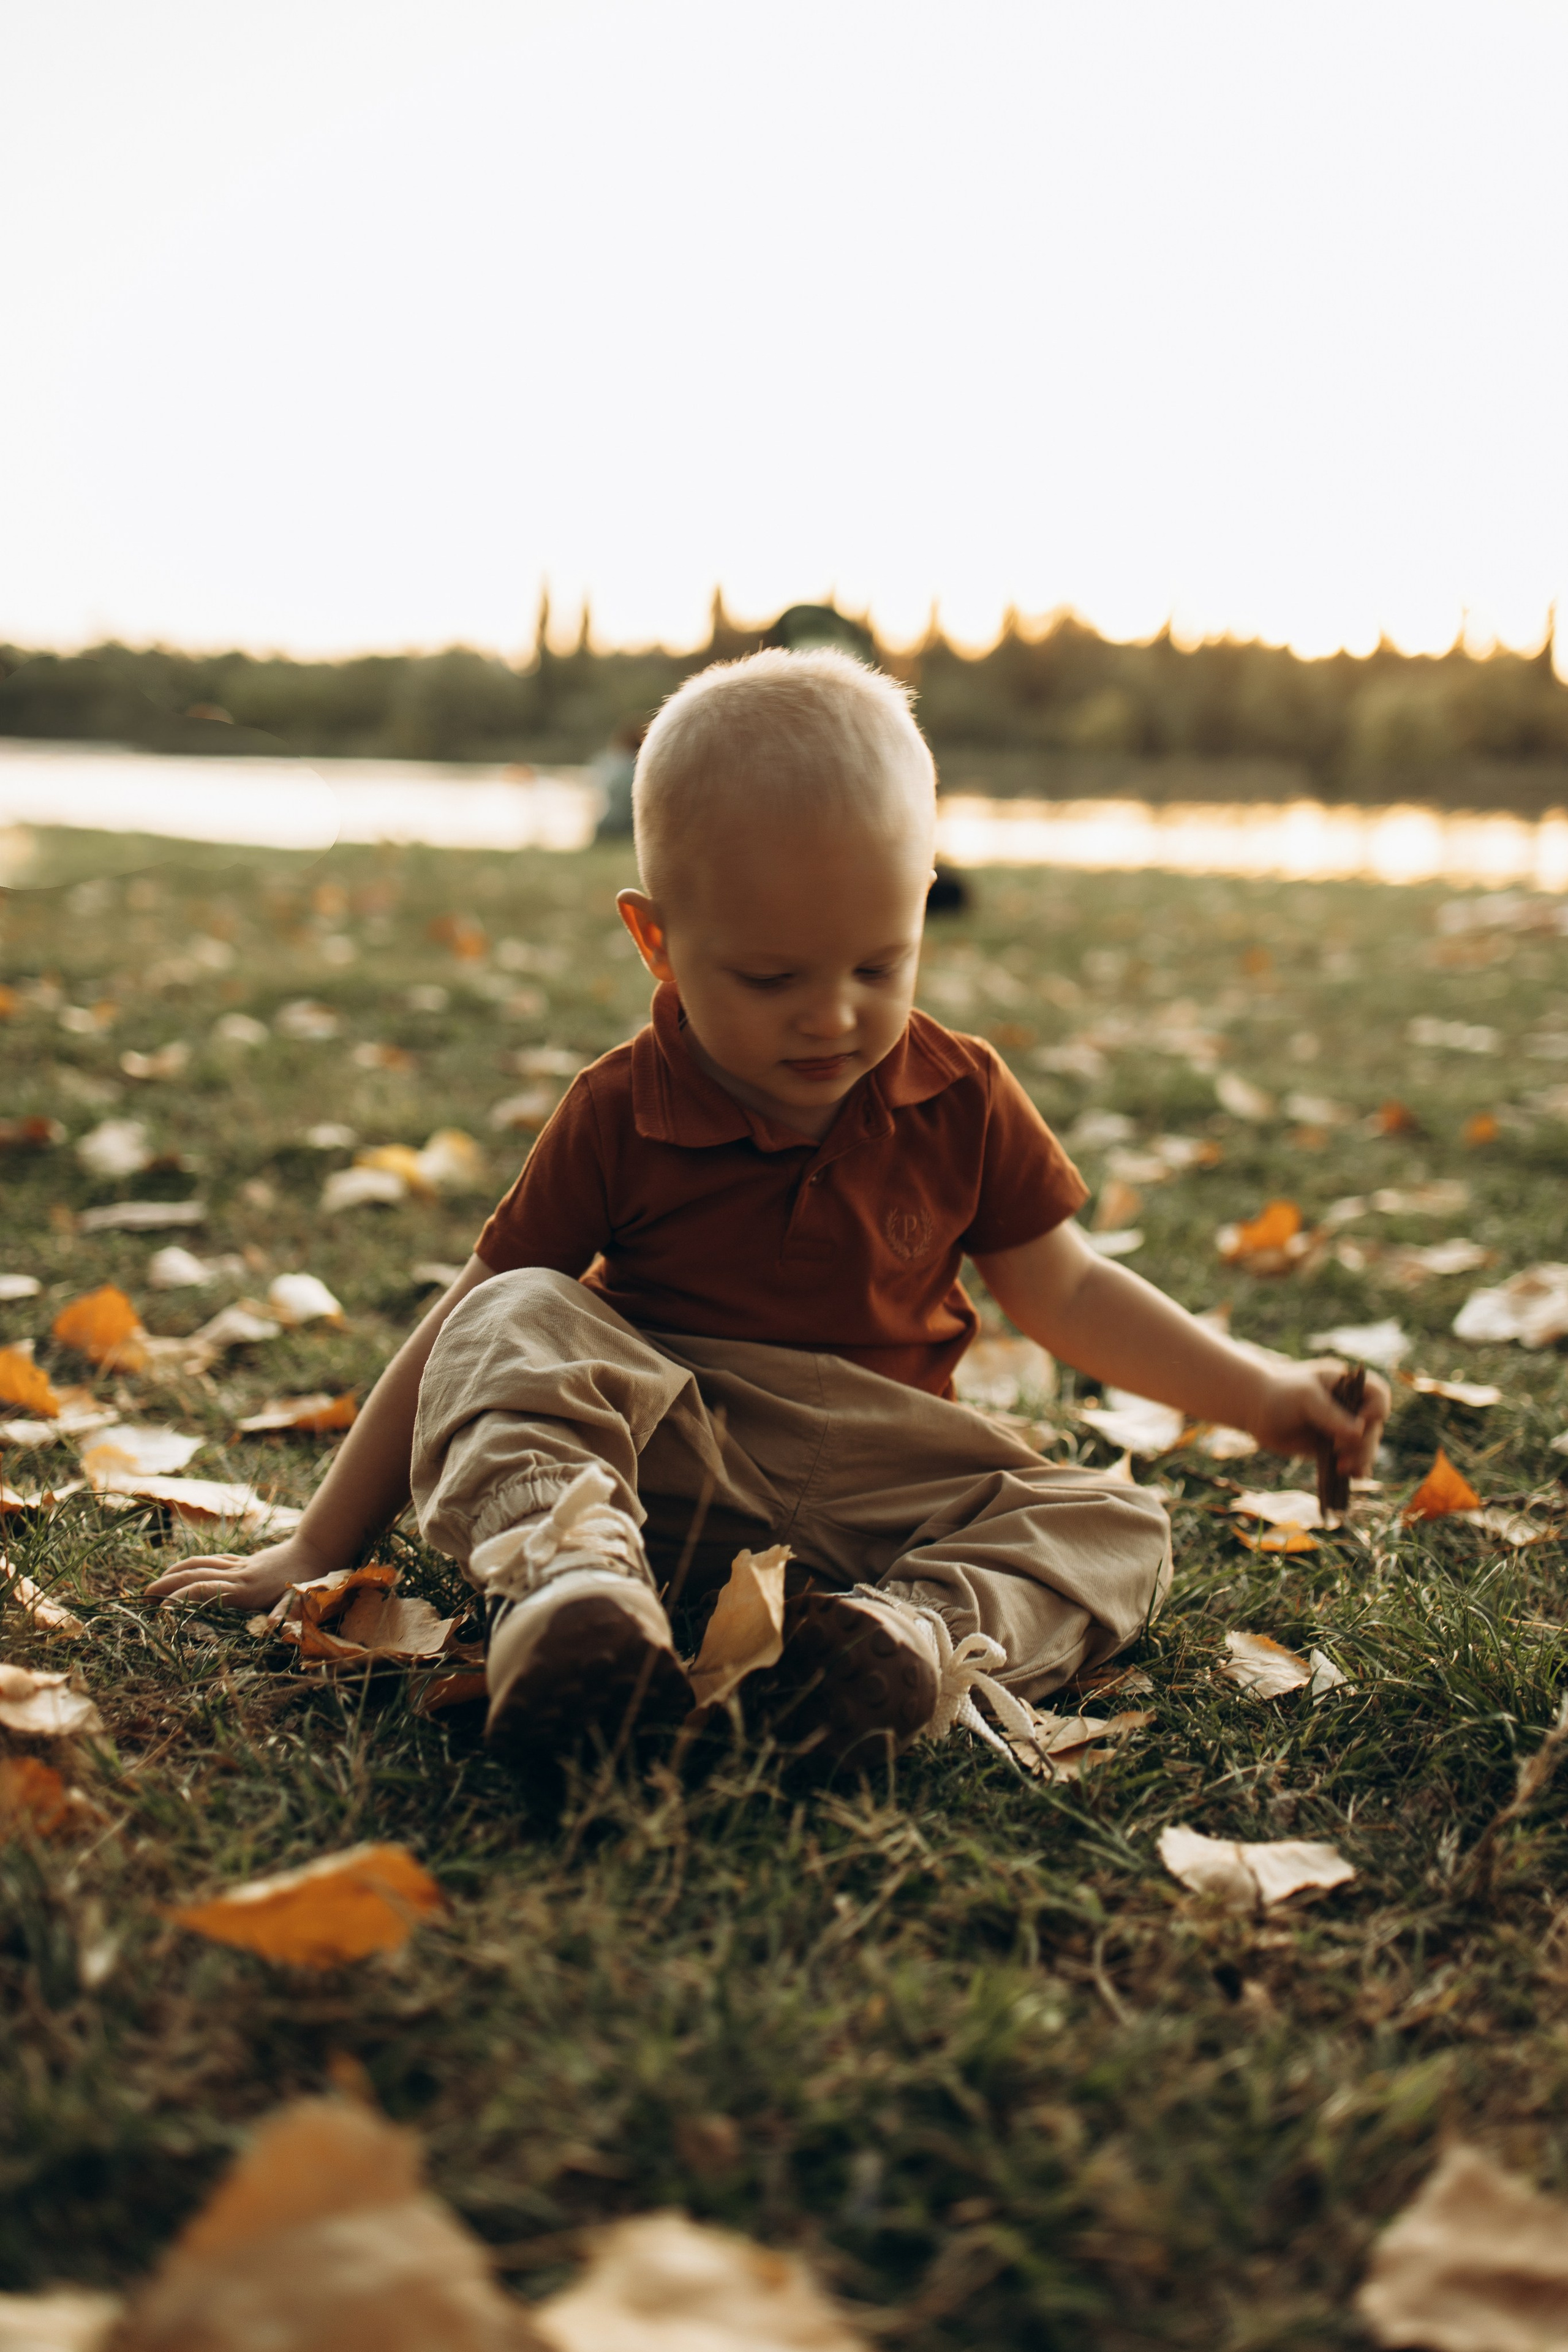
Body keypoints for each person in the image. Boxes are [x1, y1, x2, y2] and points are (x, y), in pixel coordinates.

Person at [149, 650, 1389, 1766]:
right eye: (769, 976)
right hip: (665, 1457)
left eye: (876, 965)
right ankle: (572, 1592)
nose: (831, 1015)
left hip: (883, 1489)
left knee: (1114, 1518)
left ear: (921, 907)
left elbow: (1064, 1289)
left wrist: (1266, 1396)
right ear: (656, 942)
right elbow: (471, 1326)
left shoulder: (958, 1096)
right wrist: (313, 1551)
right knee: (517, 1311)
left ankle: (896, 1651)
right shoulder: (621, 1107)